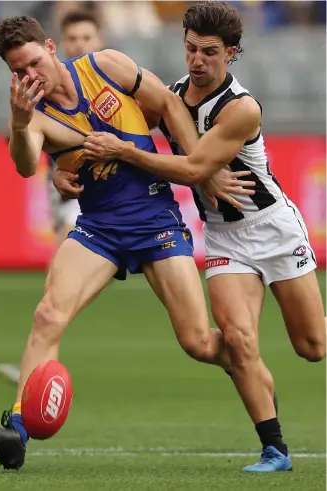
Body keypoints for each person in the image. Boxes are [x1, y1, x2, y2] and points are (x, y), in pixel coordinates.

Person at [0, 14, 255, 471]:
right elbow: (25, 166)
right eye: (17, 72)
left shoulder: (105, 66)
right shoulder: (35, 114)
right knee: (48, 314)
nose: (28, 76)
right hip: (99, 227)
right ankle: (17, 432)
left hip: (154, 217)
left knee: (199, 342)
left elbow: (167, 103)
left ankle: (248, 365)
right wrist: (22, 125)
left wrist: (200, 167)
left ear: (49, 46)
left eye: (31, 63)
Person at [66, 1, 326, 473]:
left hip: (273, 230)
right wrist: (63, 167)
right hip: (224, 237)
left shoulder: (241, 109)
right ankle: (274, 449)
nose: (197, 60)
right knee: (238, 339)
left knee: (313, 347)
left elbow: (192, 169)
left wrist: (125, 150)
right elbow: (114, 130)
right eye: (190, 49)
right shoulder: (172, 97)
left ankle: (262, 387)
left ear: (231, 53)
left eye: (209, 52)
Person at [0, 11, 105, 385]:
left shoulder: (105, 78)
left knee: (56, 297)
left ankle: (37, 363)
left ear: (98, 41)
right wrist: (53, 166)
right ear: (60, 42)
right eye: (74, 38)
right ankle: (39, 368)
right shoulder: (38, 91)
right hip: (77, 194)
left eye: (87, 38)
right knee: (55, 298)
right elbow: (21, 142)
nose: (80, 45)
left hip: (122, 200)